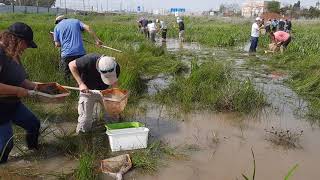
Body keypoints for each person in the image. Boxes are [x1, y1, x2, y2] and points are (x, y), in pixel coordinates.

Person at [0, 22, 41, 163]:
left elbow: (20, 80)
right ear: (17, 40)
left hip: (13, 104)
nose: (26, 48)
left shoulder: (14, 54)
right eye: (26, 44)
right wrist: (18, 90)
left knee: (33, 124)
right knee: (6, 143)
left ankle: (34, 155)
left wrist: (38, 88)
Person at [68, 54, 120, 134]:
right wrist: (81, 84)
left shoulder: (115, 66)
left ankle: (111, 133)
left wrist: (114, 95)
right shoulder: (88, 60)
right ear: (99, 70)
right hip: (87, 91)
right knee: (85, 119)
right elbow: (71, 65)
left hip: (106, 91)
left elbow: (114, 83)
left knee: (112, 115)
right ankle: (82, 137)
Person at [53, 15, 102, 80]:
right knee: (82, 75)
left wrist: (63, 40)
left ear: (58, 21)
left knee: (65, 76)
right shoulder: (76, 21)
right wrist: (97, 40)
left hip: (67, 54)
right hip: (80, 53)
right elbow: (88, 27)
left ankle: (69, 87)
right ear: (65, 18)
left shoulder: (57, 27)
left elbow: (57, 44)